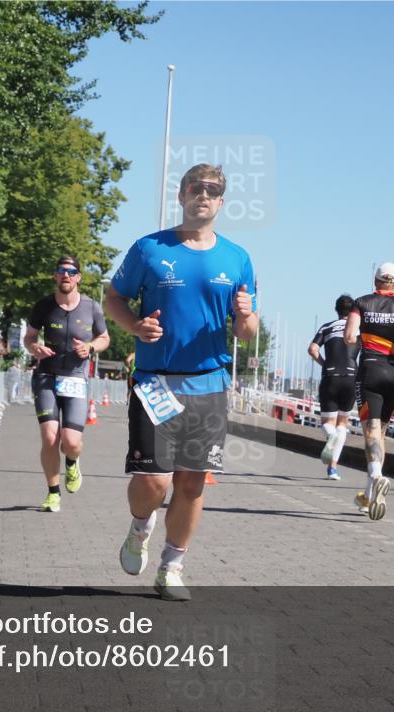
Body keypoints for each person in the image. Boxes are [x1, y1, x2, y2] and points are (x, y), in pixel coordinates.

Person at [104, 163, 257, 601]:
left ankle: (172, 567)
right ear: (182, 194)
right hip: (156, 381)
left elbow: (246, 333)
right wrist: (134, 326)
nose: (203, 195)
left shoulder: (237, 258)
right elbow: (113, 298)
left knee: (190, 484)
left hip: (209, 384)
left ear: (222, 201)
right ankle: (140, 528)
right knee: (154, 482)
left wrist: (245, 316)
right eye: (196, 187)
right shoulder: (150, 248)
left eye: (213, 190)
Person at [23, 255, 110, 512]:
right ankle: (53, 492)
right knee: (50, 438)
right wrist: (34, 347)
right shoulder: (43, 306)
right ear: (55, 275)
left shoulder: (92, 307)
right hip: (46, 377)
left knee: (70, 442)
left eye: (71, 272)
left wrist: (91, 347)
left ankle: (72, 462)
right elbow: (29, 337)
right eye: (61, 271)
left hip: (75, 379)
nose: (66, 276)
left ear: (78, 277)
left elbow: (104, 337)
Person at [344, 262, 394, 520]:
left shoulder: (362, 303)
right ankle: (369, 497)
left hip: (370, 372)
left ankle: (377, 476)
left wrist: (362, 343)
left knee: (370, 430)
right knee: (382, 432)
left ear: (375, 281)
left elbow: (348, 335)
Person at [308, 295, 359, 480]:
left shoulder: (326, 327)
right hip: (351, 377)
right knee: (342, 425)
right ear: (352, 311)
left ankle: (331, 442)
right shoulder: (358, 329)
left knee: (328, 425)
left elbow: (312, 349)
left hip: (330, 376)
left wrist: (324, 364)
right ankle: (333, 469)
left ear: (336, 309)